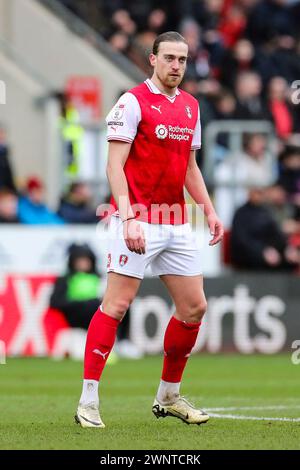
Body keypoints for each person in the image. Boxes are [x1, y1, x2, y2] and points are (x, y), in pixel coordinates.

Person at [75, 31, 224, 429]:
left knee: (195, 307)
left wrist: (208, 211)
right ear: (152, 59)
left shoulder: (191, 107)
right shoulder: (132, 102)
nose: (176, 66)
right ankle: (88, 401)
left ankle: (168, 396)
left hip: (175, 221)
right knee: (117, 305)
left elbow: (191, 169)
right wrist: (127, 218)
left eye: (183, 60)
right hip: (137, 217)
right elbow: (114, 166)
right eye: (170, 58)